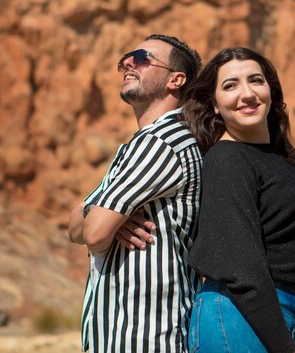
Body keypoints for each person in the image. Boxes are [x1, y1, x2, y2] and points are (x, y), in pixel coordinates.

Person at [181, 47, 295, 353]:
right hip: (241, 314)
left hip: (294, 312)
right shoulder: (227, 158)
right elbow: (243, 268)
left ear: (271, 90)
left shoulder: (285, 161)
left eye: (256, 81)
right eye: (230, 86)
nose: (247, 94)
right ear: (215, 105)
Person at [68, 34, 203, 353]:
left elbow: (95, 234)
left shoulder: (161, 143)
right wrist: (105, 216)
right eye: (127, 58)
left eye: (143, 57)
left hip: (145, 339)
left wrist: (102, 219)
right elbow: (74, 228)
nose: (129, 62)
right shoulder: (142, 145)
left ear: (176, 79)